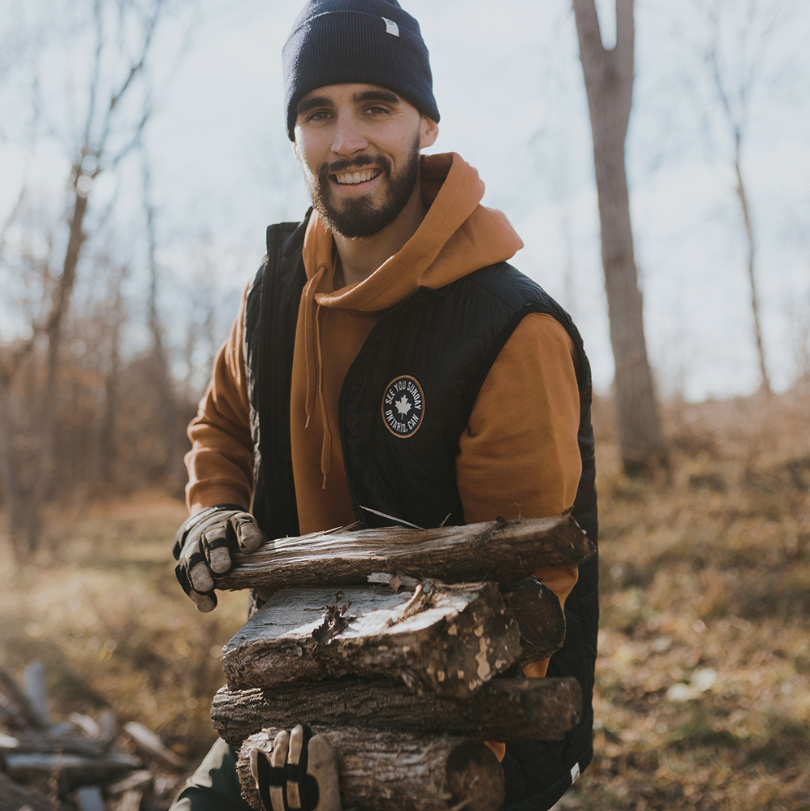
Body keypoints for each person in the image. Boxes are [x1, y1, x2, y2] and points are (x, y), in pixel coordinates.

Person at [170, 1, 598, 809]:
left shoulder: (510, 328)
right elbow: (223, 423)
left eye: (377, 105)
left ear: (425, 123)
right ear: (294, 134)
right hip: (294, 685)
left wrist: (403, 770)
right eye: (318, 112)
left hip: (459, 718)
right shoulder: (272, 295)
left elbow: (528, 591)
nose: (346, 141)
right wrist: (213, 507)